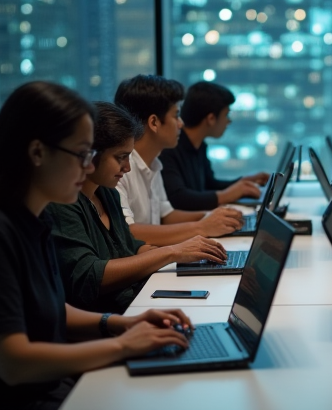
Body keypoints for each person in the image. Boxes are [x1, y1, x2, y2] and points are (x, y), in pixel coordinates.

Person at [0, 81, 196, 410]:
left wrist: (120, 324)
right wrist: (123, 346)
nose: (88, 167)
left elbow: (50, 308)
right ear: (38, 152)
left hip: (56, 384)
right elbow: (13, 363)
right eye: (83, 154)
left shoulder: (32, 219)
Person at [48, 102, 227, 314]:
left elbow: (131, 246)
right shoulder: (63, 204)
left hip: (134, 301)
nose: (127, 167)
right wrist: (172, 252)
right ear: (91, 154)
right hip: (113, 315)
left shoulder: (107, 193)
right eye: (120, 157)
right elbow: (88, 276)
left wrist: (186, 255)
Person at [114, 74, 243, 246]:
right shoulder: (119, 169)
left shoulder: (154, 162)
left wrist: (212, 216)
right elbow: (129, 231)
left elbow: (166, 215)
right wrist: (201, 227)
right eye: (176, 116)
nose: (181, 123)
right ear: (154, 122)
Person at [160, 81, 270, 211]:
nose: (229, 121)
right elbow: (179, 198)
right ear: (211, 118)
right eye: (226, 115)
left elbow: (209, 184)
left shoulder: (199, 145)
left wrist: (243, 182)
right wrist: (226, 196)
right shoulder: (169, 148)